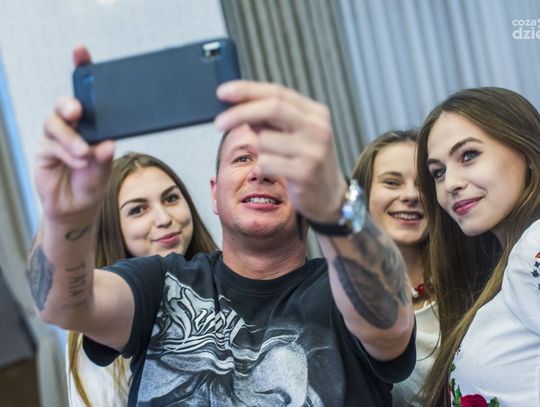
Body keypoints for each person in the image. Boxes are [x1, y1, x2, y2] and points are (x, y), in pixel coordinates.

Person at [27, 45, 416, 406]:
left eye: (279, 161)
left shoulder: (343, 289)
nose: (261, 171)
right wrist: (62, 216)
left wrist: (335, 203)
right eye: (242, 158)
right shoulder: (162, 284)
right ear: (214, 193)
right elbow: (61, 304)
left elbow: (389, 321)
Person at [416, 87, 540, 406]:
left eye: (468, 155)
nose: (450, 183)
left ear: (527, 152)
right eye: (438, 172)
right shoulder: (510, 264)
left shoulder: (535, 247)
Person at [66, 152, 217, 406]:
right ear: (111, 227)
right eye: (138, 210)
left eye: (170, 198)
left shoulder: (231, 283)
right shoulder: (99, 324)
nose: (164, 219)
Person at [352, 130, 439, 406]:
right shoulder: (339, 298)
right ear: (361, 195)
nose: (411, 195)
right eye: (392, 182)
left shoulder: (475, 283)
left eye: (423, 184)